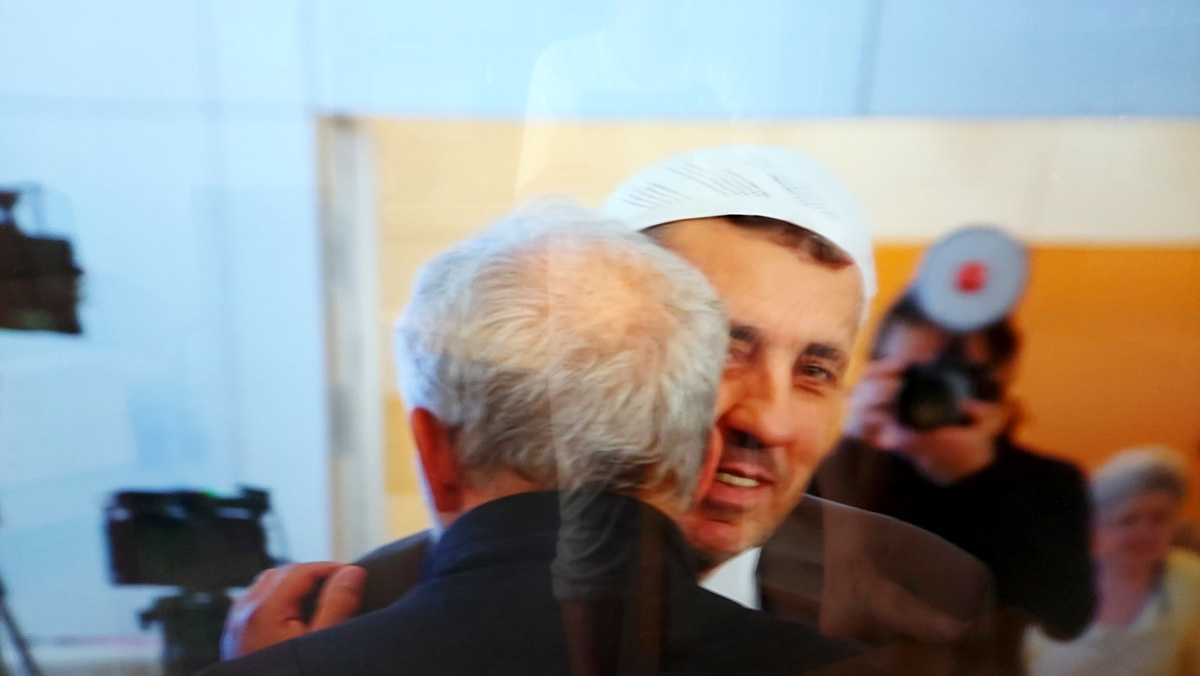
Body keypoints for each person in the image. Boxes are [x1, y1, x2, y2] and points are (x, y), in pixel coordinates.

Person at [222, 146, 995, 674]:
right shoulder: (361, 608)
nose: (768, 421)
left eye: (817, 371)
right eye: (719, 350)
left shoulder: (931, 594)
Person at [813, 290, 1095, 673]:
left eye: (953, 377)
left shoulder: (1048, 482)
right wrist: (842, 447)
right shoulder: (838, 464)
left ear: (997, 382)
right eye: (911, 375)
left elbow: (1065, 618)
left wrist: (977, 481)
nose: (930, 392)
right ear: (875, 372)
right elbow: (785, 587)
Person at [1025, 447, 1200, 676]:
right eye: (1128, 519)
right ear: (1098, 524)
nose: (1145, 532)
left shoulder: (1191, 580)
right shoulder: (1050, 579)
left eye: (1160, 519)